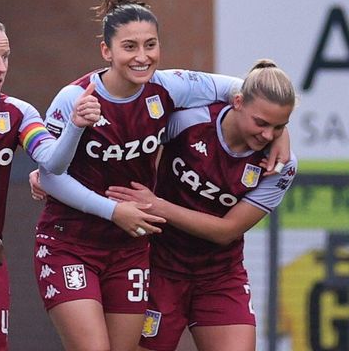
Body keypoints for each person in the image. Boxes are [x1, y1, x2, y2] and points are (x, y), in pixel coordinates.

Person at [28, 0, 291, 351]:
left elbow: (250, 91)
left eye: (150, 45)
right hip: (79, 242)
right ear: (106, 51)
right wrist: (101, 203)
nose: (142, 56)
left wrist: (280, 132)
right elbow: (50, 170)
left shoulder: (168, 89)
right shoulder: (76, 98)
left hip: (136, 248)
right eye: (130, 46)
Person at [0, 0, 101, 350]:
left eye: (5, 57)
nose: (1, 67)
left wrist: (74, 125)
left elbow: (52, 161)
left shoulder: (17, 112)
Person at [103, 59, 297, 351]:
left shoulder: (280, 166)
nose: (268, 135)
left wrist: (157, 206)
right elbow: (125, 143)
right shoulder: (189, 121)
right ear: (238, 102)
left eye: (279, 127)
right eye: (261, 123)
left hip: (220, 277)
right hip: (158, 267)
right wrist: (55, 170)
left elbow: (226, 230)